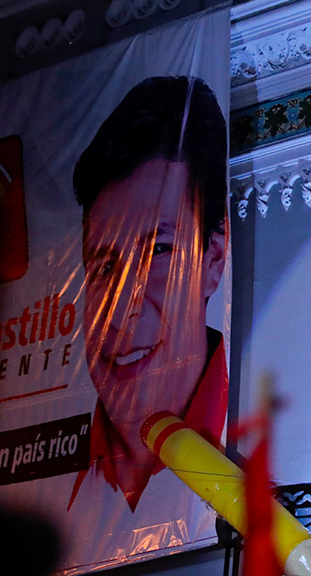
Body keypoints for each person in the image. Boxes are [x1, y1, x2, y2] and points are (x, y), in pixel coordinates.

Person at [70, 76, 228, 511]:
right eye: (104, 267)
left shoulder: (266, 508)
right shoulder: (48, 496)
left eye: (158, 251)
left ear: (214, 257)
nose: (120, 309)